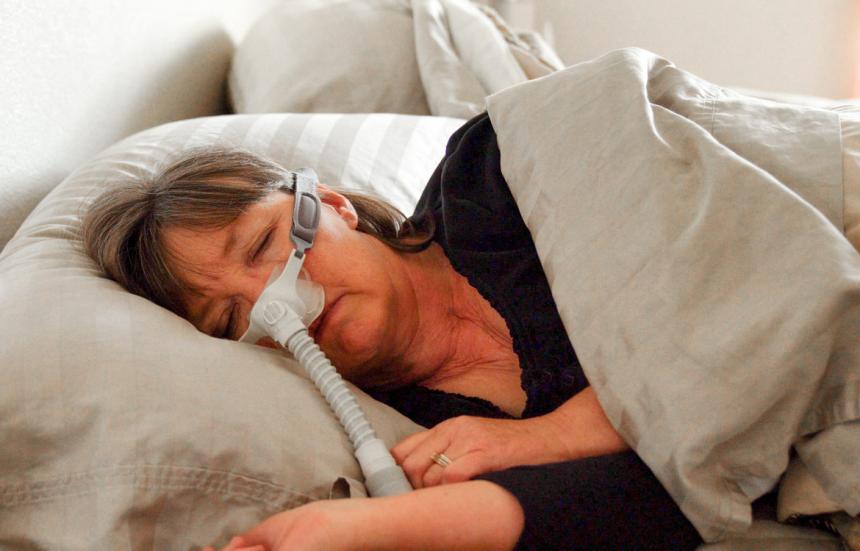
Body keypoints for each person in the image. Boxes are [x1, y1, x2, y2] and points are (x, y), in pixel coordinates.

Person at [81, 113, 703, 550]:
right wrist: (359, 532)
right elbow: (661, 508)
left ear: (329, 203)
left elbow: (728, 290)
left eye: (266, 245)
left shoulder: (497, 171)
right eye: (231, 320)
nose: (280, 305)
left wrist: (558, 433)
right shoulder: (417, 439)